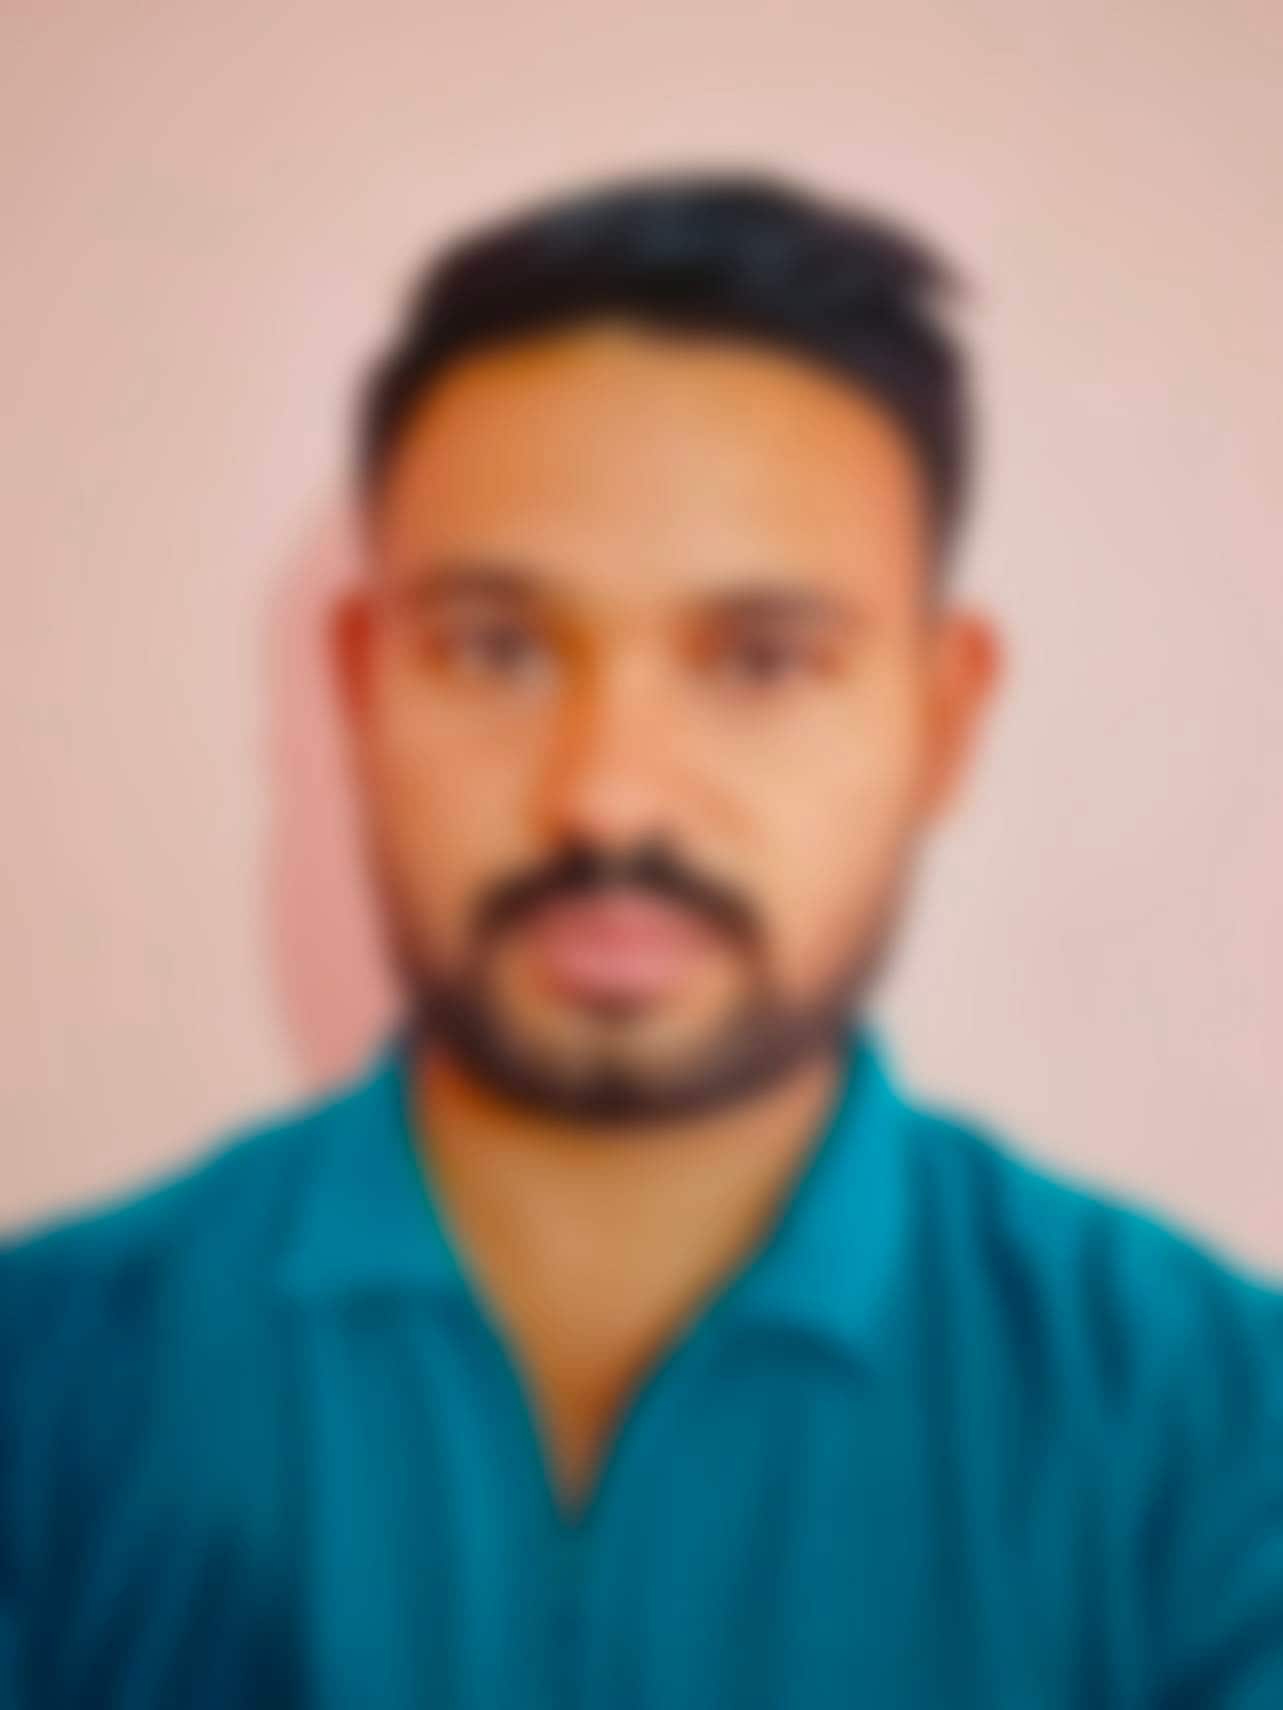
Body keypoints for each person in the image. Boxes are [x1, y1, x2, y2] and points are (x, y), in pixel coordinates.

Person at [2, 171, 1280, 1710]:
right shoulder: (41, 1392)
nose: (607, 794)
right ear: (358, 683)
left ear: (945, 718)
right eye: (495, 648)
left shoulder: (1221, 1442)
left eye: (761, 661)